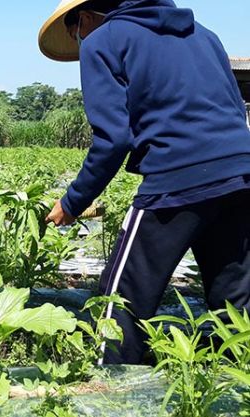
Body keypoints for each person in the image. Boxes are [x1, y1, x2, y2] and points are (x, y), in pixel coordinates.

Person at [39, 0, 250, 364]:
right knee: (235, 297)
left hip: (176, 175)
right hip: (241, 172)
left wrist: (72, 203)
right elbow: (234, 109)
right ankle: (236, 386)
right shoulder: (206, 35)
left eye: (76, 31)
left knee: (120, 298)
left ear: (85, 16)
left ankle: (115, 390)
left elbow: (113, 140)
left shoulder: (103, 40)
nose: (79, 40)